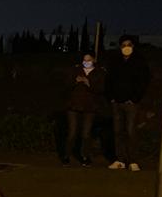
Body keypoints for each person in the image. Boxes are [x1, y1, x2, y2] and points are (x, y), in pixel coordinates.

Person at [105, 35, 151, 171]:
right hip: (116, 102)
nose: (126, 47)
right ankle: (120, 160)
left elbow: (144, 81)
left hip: (131, 103)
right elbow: (108, 80)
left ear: (133, 46)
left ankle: (133, 160)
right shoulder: (115, 61)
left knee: (131, 131)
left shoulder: (139, 62)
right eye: (123, 45)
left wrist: (135, 98)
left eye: (129, 44)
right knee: (117, 131)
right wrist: (111, 97)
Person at [63, 52, 108, 166]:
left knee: (86, 133)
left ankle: (85, 156)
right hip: (74, 105)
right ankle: (66, 155)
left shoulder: (100, 72)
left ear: (93, 60)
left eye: (88, 60)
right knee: (72, 132)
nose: (86, 62)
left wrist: (89, 83)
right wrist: (75, 81)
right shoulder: (75, 70)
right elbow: (66, 85)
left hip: (90, 106)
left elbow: (101, 89)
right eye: (84, 60)